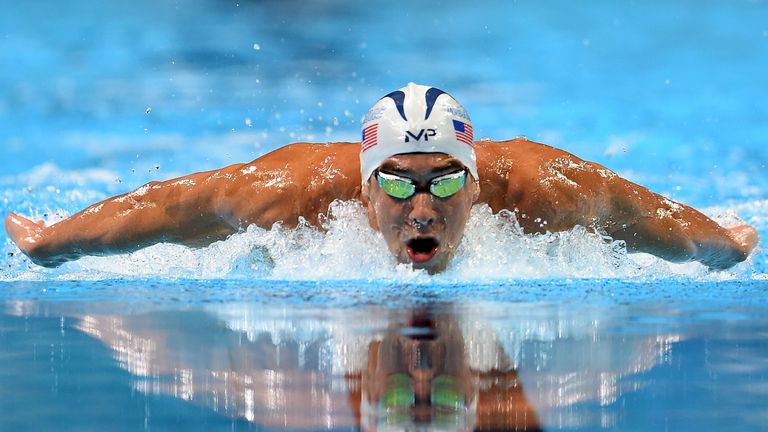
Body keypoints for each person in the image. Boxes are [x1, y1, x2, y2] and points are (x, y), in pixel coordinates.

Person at [4, 83, 759, 273]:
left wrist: (723, 245)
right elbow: (174, 205)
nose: (422, 206)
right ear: (364, 189)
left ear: (477, 182)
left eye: (443, 183)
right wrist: (54, 245)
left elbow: (644, 214)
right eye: (397, 184)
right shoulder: (296, 193)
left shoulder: (540, 189)